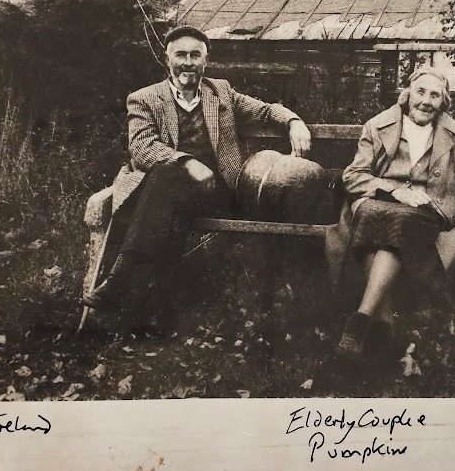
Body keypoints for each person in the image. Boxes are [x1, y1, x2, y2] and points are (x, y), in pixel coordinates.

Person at [83, 25, 312, 330]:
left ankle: (122, 281)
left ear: (206, 60)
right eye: (181, 55)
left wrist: (294, 122)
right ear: (168, 59)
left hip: (217, 195)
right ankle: (152, 305)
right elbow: (141, 147)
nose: (188, 62)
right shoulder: (144, 98)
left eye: (195, 55)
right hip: (167, 193)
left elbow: (266, 111)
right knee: (168, 177)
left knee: (166, 192)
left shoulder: (221, 93)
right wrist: (188, 161)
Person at [324, 66, 455, 362]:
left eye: (435, 95)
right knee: (375, 214)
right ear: (407, 94)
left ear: (443, 102)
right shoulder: (377, 125)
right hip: (378, 200)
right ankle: (384, 328)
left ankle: (361, 321)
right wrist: (394, 190)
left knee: (399, 220)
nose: (426, 101)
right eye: (420, 92)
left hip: (426, 210)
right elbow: (354, 176)